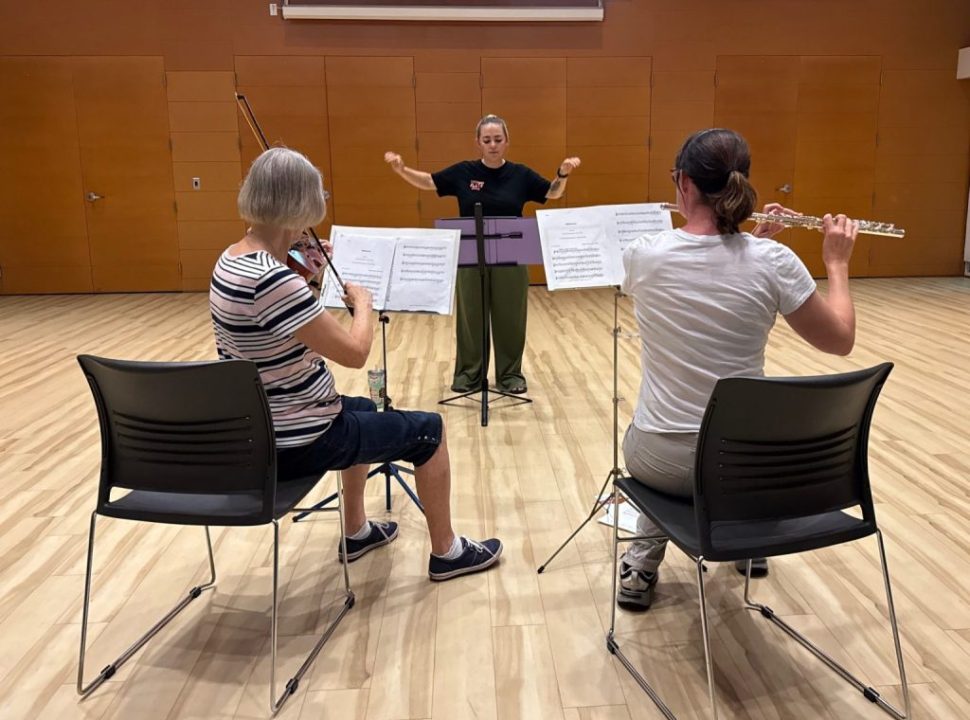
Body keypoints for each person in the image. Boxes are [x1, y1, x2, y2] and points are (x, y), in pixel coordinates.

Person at [209, 147, 502, 581]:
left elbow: (276, 324)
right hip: (300, 438)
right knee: (429, 431)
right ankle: (447, 551)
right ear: (300, 204)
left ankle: (356, 530)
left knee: (363, 409)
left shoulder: (232, 259)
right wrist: (362, 304)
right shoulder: (273, 280)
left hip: (260, 427)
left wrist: (305, 274)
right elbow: (354, 352)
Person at [617, 128, 859, 611]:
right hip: (748, 467)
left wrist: (750, 243)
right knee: (721, 457)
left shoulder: (643, 255)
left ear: (684, 182)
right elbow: (840, 340)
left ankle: (642, 562)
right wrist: (835, 263)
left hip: (660, 459)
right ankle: (747, 536)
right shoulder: (774, 261)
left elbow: (706, 269)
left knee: (676, 458)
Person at [384, 114, 581, 394]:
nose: (492, 145)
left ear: (507, 141)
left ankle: (510, 374)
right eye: (487, 140)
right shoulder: (464, 172)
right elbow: (430, 182)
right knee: (471, 317)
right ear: (478, 142)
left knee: (510, 317)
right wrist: (402, 170)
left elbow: (552, 193)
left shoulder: (520, 174)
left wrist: (562, 174)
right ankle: (469, 374)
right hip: (470, 257)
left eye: (498, 139)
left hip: (511, 258)